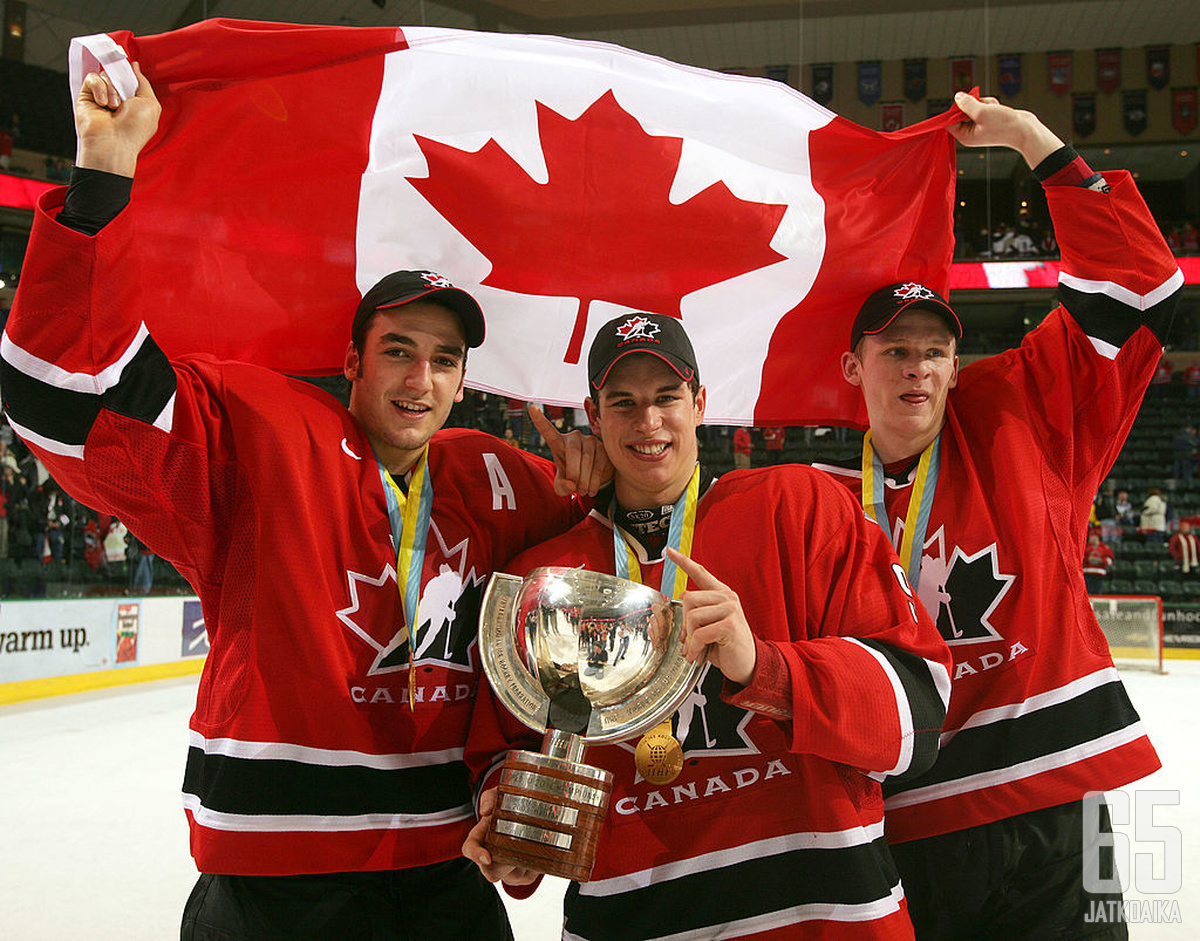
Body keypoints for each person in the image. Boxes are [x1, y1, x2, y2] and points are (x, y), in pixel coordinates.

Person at [0, 64, 612, 939]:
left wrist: (598, 485)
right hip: (279, 889)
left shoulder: (492, 476)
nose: (420, 378)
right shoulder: (264, 434)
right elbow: (70, 403)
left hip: (446, 879)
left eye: (444, 360)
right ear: (354, 362)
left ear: (463, 381)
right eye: (398, 350)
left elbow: (608, 578)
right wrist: (102, 180)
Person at [464, 312, 953, 938]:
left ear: (698, 402)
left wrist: (765, 667)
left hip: (824, 916)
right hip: (631, 920)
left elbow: (919, 717)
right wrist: (507, 822)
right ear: (594, 413)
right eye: (624, 402)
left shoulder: (796, 507)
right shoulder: (548, 578)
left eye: (667, 397)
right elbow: (505, 760)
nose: (648, 423)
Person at [819, 92, 1174, 938]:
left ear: (956, 361)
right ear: (850, 366)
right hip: (906, 823)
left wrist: (1033, 143)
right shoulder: (821, 496)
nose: (918, 369)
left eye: (935, 350)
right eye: (894, 351)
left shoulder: (1020, 420)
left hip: (1058, 808)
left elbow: (1136, 287)